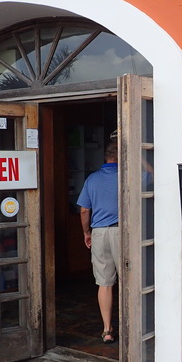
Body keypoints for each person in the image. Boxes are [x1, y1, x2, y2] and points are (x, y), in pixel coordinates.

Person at [77, 138, 119, 343]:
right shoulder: (129, 176)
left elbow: (84, 210)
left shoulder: (92, 179)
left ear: (106, 157)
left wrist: (87, 233)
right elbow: (156, 177)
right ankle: (134, 327)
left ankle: (107, 330)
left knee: (104, 283)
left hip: (100, 232)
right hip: (124, 232)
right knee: (130, 281)